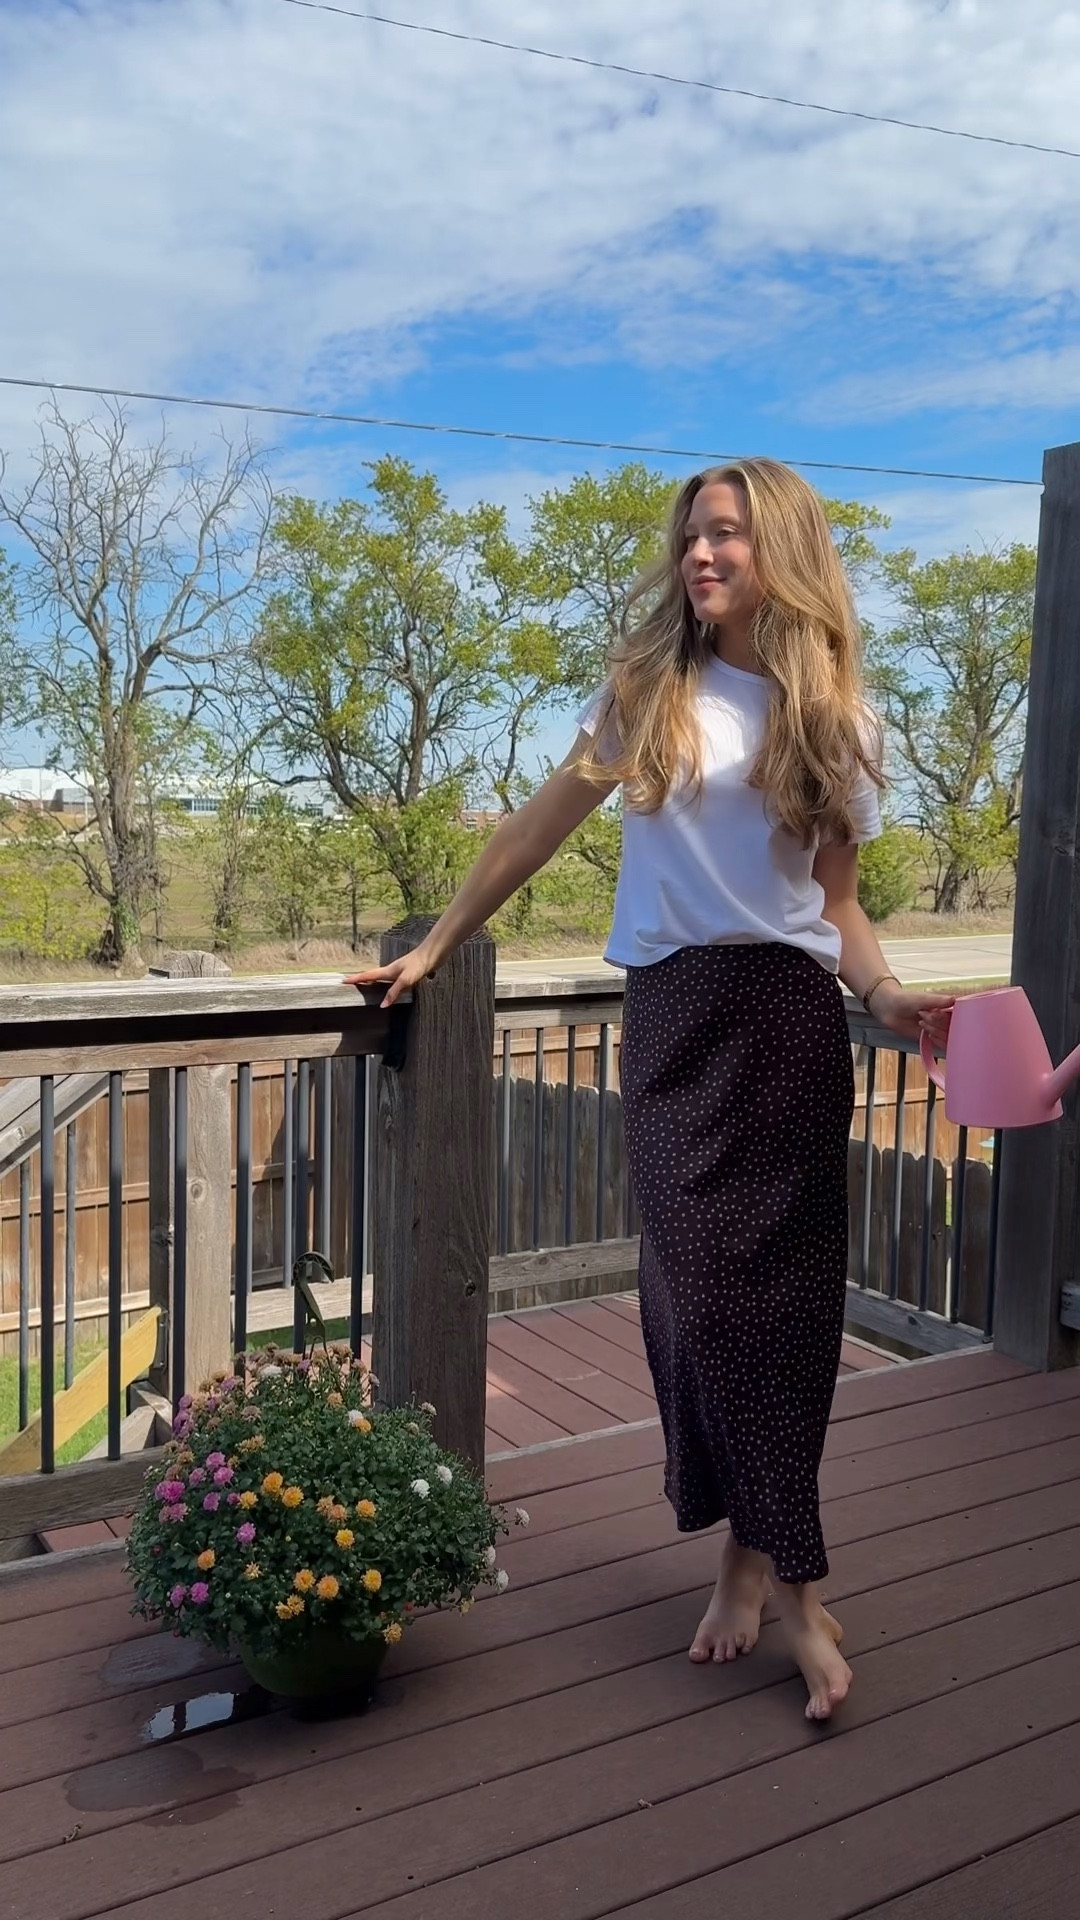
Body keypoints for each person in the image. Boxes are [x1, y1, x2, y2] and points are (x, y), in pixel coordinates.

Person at [349, 458, 953, 1723]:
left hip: (788, 1020)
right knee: (692, 1301)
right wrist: (439, 944)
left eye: (727, 534)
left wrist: (888, 996)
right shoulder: (647, 691)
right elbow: (533, 828)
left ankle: (772, 1575)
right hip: (674, 1013)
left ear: (779, 546)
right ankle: (781, 1570)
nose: (702, 554)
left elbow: (836, 906)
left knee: (780, 1311)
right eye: (693, 536)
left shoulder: (842, 717)